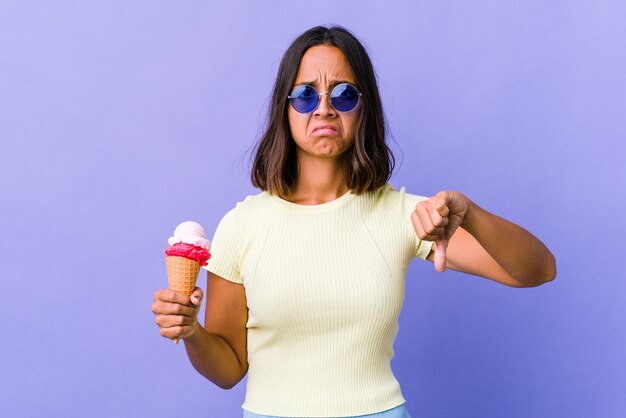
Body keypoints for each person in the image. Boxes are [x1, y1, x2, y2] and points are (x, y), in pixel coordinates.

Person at [152, 25, 557, 418]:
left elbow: (537, 270)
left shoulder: (407, 216)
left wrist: (470, 214)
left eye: (344, 94)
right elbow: (229, 369)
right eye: (306, 95)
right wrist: (192, 332)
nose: (324, 108)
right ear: (284, 107)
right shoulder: (242, 225)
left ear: (364, 107)